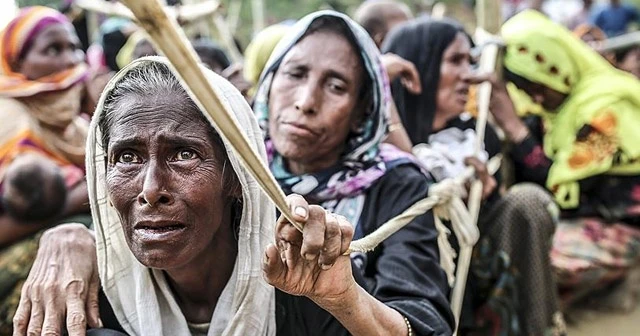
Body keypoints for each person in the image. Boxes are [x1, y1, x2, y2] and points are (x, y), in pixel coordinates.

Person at [14, 11, 455, 336]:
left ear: (236, 180)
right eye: (126, 158)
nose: (305, 100)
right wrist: (74, 236)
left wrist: (345, 300)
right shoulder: (97, 300)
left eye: (184, 155)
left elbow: (421, 319)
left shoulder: (307, 278)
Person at [382, 17, 564, 335]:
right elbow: (412, 187)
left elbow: (546, 194)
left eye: (471, 61)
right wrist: (380, 92)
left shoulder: (477, 138)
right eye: (455, 61)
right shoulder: (377, 144)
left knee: (528, 203)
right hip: (408, 284)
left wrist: (489, 199)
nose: (469, 75)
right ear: (417, 69)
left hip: (475, 278)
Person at [484, 10, 640, 309]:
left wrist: (516, 131)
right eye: (528, 91)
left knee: (531, 260)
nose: (537, 100)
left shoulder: (607, 105)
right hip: (587, 217)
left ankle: (612, 288)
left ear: (558, 67)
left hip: (622, 225)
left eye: (541, 88)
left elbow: (564, 194)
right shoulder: (564, 104)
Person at [0, 6, 97, 333]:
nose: (70, 60)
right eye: (52, 50)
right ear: (16, 63)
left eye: (74, 47)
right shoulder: (8, 118)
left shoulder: (76, 127)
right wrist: (90, 192)